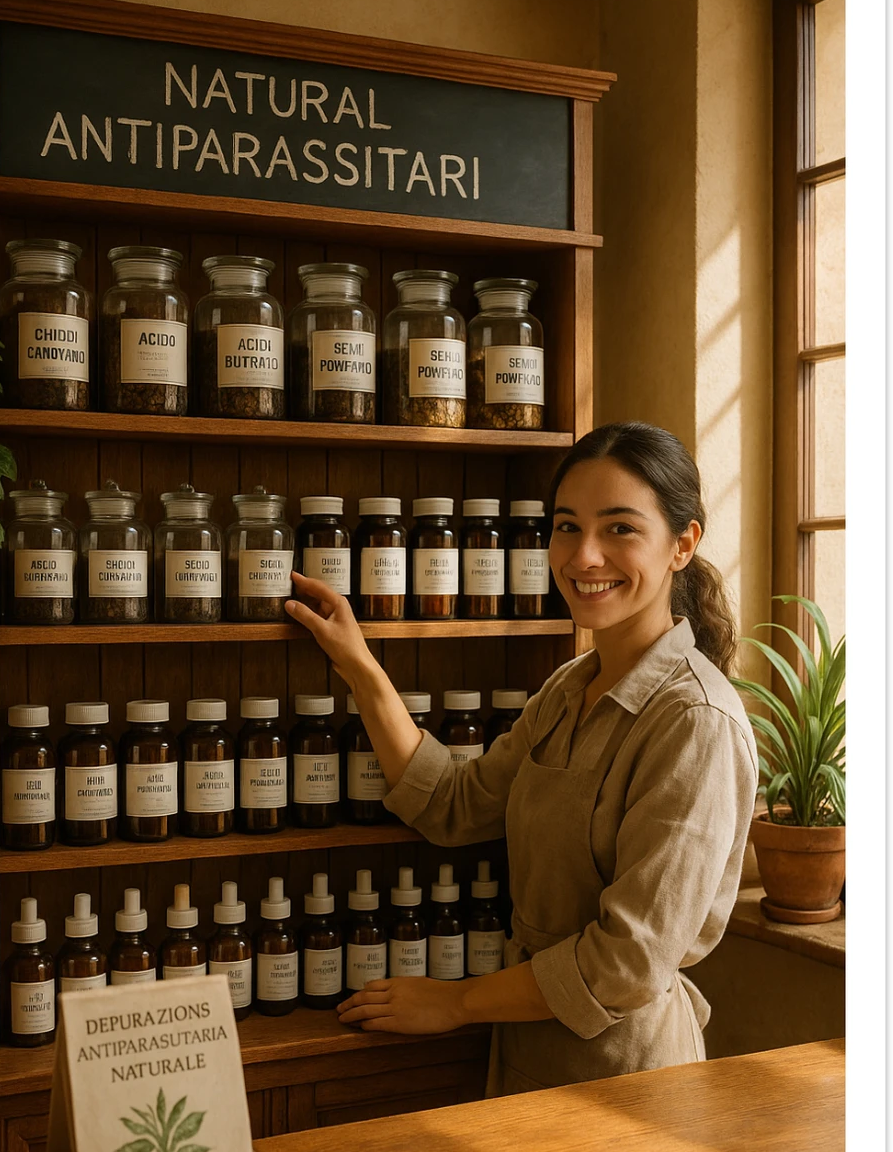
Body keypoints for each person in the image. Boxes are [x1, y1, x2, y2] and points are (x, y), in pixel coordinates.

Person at [285, 422, 759, 1095]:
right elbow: (454, 803)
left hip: (626, 1074)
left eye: (620, 529)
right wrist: (359, 664)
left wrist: (455, 1003)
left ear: (683, 544)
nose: (584, 556)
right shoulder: (570, 688)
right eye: (567, 527)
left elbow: (625, 965)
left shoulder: (694, 724)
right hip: (526, 1049)